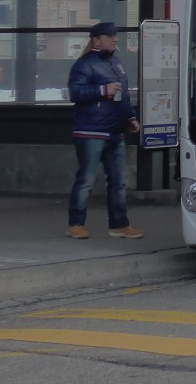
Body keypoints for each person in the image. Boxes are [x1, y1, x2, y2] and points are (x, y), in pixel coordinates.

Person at [65, 21, 143, 240]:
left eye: (115, 36)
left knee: (118, 181)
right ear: (97, 40)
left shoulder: (116, 63)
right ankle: (75, 224)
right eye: (110, 36)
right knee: (86, 181)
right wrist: (102, 89)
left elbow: (123, 95)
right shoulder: (84, 64)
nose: (115, 39)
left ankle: (119, 224)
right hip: (90, 132)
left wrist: (130, 117)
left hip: (114, 131)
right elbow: (75, 93)